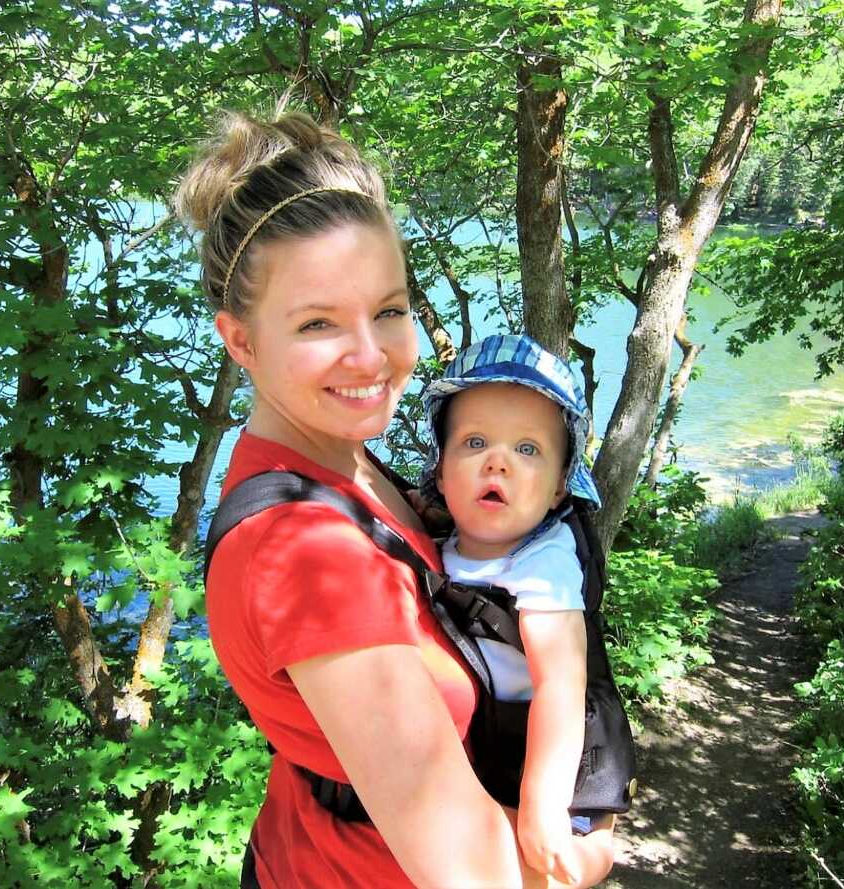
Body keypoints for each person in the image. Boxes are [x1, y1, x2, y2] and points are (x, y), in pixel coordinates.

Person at [175, 104, 615, 889]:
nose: (372, 355)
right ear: (240, 340)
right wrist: (592, 855)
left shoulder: (349, 463)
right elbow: (475, 875)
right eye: (318, 322)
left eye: (389, 309)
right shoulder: (306, 555)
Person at [419, 335, 603, 886]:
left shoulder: (541, 563)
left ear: (556, 491)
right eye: (475, 442)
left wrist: (544, 807)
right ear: (444, 471)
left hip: (530, 758)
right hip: (473, 760)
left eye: (528, 450)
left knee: (554, 868)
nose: (498, 461)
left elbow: (561, 686)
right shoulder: (449, 539)